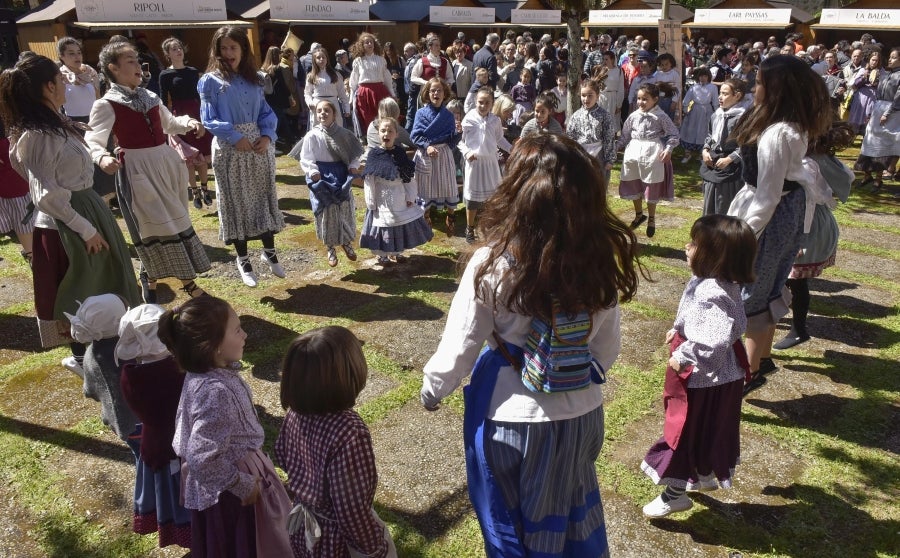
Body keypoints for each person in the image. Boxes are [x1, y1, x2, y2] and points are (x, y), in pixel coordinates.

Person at [421, 133, 642, 557]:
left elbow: (460, 345)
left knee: (511, 523)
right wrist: (572, 368)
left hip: (511, 417)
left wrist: (432, 390)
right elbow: (606, 349)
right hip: (583, 415)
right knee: (571, 504)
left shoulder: (492, 264)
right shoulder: (598, 264)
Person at [0, 54, 140, 366]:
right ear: (49, 87)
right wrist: (85, 229)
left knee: (104, 283)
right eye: (60, 80)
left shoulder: (50, 126)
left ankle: (106, 352)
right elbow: (44, 193)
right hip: (69, 222)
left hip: (82, 209)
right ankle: (83, 359)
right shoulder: (37, 135)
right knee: (83, 289)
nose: (65, 83)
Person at [727, 55, 831, 395]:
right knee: (768, 285)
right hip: (781, 213)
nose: (753, 87)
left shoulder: (777, 134)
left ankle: (750, 372)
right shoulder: (782, 124)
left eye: (758, 82)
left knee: (754, 292)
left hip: (771, 216)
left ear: (776, 90)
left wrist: (741, 236)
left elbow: (767, 197)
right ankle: (764, 357)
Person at [640, 214, 757, 518]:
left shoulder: (711, 293)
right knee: (707, 429)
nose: (687, 247)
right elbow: (700, 319)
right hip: (718, 376)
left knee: (685, 431)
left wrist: (685, 353)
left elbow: (713, 341)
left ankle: (674, 494)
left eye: (694, 244)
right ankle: (702, 474)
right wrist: (678, 329)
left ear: (713, 256)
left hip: (706, 378)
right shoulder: (714, 283)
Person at [161, 296, 293, 557]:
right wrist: (242, 484)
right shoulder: (215, 392)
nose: (244, 335)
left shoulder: (203, 372)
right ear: (212, 346)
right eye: (236, 330)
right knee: (248, 543)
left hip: (226, 481)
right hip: (231, 492)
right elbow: (202, 458)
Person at [87, 40, 211, 303]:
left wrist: (188, 122)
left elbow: (170, 124)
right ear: (113, 68)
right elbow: (94, 140)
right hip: (137, 168)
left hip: (165, 163)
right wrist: (102, 157)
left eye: (136, 59)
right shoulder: (107, 104)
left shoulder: (150, 96)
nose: (137, 65)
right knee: (151, 226)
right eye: (130, 60)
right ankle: (187, 283)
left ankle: (149, 275)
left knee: (175, 219)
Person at [275, 326, 397, 557]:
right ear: (350, 372)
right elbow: (351, 509)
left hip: (302, 528)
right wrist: (374, 548)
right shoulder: (349, 431)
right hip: (334, 539)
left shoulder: (295, 412)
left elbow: (282, 454)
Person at [199, 26, 286, 288]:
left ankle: (269, 251)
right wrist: (237, 138)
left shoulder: (256, 78)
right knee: (236, 201)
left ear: (243, 49)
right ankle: (243, 258)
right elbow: (208, 118)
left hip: (258, 146)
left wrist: (268, 135)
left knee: (262, 196)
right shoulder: (211, 81)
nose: (228, 53)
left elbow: (266, 112)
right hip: (230, 148)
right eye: (223, 48)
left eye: (233, 47)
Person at [117, 303, 192, 549]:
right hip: (184, 446)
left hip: (155, 444)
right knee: (187, 497)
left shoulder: (131, 374)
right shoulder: (182, 369)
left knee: (168, 494)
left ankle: (179, 533)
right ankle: (197, 535)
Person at [775, 124, 855, 350]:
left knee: (794, 280)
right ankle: (790, 322)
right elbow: (848, 176)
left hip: (806, 224)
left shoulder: (808, 163)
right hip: (813, 220)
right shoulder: (820, 157)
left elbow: (809, 199)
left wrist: (799, 238)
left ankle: (799, 329)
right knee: (790, 279)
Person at [64, 293, 138, 451]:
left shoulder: (90, 355)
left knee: (139, 454)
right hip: (142, 421)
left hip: (116, 420)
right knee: (150, 459)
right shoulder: (131, 351)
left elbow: (89, 391)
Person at [295, 99, 364, 268]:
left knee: (344, 209)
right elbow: (306, 157)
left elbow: (355, 155)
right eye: (319, 111)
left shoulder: (344, 134)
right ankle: (330, 248)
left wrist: (354, 167)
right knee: (327, 212)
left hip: (341, 175)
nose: (323, 113)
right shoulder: (312, 135)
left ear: (334, 114)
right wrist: (313, 172)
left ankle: (346, 242)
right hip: (321, 177)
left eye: (327, 110)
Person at [359, 117, 432, 266]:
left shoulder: (400, 153)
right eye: (383, 131)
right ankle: (383, 255)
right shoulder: (374, 154)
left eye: (390, 131)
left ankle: (397, 251)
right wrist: (371, 201)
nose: (386, 133)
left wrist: (411, 195)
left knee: (399, 223)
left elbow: (408, 177)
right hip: (382, 198)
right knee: (385, 224)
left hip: (399, 195)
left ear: (396, 134)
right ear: (378, 133)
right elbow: (369, 179)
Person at [56, 37, 117, 202]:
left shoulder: (90, 72)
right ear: (62, 56)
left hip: (94, 121)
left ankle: (109, 198)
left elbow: (98, 98)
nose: (77, 56)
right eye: (71, 53)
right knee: (84, 163)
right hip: (73, 124)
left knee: (104, 156)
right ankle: (93, 199)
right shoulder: (59, 76)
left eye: (78, 52)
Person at [618, 82, 680, 238]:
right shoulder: (633, 116)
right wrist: (615, 147)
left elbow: (674, 134)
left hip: (652, 152)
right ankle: (639, 214)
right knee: (633, 181)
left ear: (655, 99)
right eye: (639, 99)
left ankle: (651, 218)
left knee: (650, 185)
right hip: (633, 152)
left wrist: (668, 149)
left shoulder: (661, 116)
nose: (640, 102)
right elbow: (625, 136)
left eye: (645, 99)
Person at [159, 37, 214, 209]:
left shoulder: (192, 71)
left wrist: (205, 116)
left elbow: (201, 96)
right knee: (187, 158)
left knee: (202, 157)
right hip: (179, 116)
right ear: (168, 54)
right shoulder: (165, 75)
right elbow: (162, 100)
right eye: (174, 49)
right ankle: (195, 192)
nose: (178, 51)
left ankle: (205, 189)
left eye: (179, 47)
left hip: (197, 113)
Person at [460, 87, 512, 244]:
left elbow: (499, 140)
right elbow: (460, 141)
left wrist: (512, 149)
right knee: (473, 200)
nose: (483, 106)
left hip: (490, 163)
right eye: (480, 102)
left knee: (492, 198)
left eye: (487, 103)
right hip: (475, 164)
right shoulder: (469, 119)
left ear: (492, 103)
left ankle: (489, 226)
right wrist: (468, 153)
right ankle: (469, 228)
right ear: (475, 102)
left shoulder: (495, 121)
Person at [411, 78, 460, 235]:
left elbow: (452, 142)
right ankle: (426, 218)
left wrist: (459, 133)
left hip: (443, 154)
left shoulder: (448, 116)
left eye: (439, 90)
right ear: (427, 93)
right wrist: (427, 146)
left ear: (444, 93)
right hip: (426, 154)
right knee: (425, 188)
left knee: (448, 185)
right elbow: (415, 136)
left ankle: (450, 217)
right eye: (432, 90)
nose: (436, 93)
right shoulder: (420, 114)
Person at [700, 79, 748, 216]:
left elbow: (746, 144)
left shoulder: (742, 117)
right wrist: (705, 150)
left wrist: (730, 159)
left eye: (725, 94)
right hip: (714, 162)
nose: (720, 97)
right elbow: (710, 135)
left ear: (737, 96)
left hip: (731, 167)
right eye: (720, 93)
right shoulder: (717, 114)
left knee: (724, 204)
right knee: (709, 202)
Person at [855, 47, 900, 191]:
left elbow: (898, 98)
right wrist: (873, 111)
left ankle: (879, 179)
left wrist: (888, 113)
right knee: (869, 141)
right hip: (878, 109)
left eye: (894, 57)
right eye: (890, 57)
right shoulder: (886, 73)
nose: (890, 59)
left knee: (881, 146)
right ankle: (867, 175)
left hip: (891, 112)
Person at [566, 76, 616, 180]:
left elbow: (609, 137)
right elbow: (570, 137)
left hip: (599, 154)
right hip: (580, 155)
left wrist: (609, 159)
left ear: (597, 96)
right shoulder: (576, 116)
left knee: (598, 183)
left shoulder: (604, 115)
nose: (586, 99)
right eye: (583, 95)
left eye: (590, 96)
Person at [0, 118, 34, 263]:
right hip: (13, 189)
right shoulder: (7, 143)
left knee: (24, 222)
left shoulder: (7, 143)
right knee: (23, 223)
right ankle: (32, 255)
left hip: (15, 188)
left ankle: (32, 254)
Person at [349, 33, 395, 136]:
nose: (370, 44)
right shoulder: (358, 61)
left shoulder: (381, 60)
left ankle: (383, 137)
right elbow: (354, 81)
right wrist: (351, 97)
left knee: (382, 116)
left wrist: (392, 94)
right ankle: (370, 139)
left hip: (380, 91)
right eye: (367, 42)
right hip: (364, 92)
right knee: (367, 117)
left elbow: (387, 78)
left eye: (371, 42)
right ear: (362, 45)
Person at [305, 47, 351, 132]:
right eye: (318, 58)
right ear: (314, 60)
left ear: (327, 59)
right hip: (317, 105)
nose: (321, 59)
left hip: (333, 103)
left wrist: (346, 108)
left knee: (336, 128)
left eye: (323, 57)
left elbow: (342, 93)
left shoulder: (335, 75)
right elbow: (307, 93)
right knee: (317, 130)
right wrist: (310, 103)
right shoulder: (311, 76)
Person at [679, 67, 718, 165]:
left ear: (708, 77)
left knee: (704, 131)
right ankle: (687, 153)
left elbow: (715, 102)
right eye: (701, 76)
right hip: (695, 111)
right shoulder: (694, 87)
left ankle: (702, 154)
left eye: (705, 76)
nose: (703, 78)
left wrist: (717, 113)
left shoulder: (712, 87)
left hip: (706, 111)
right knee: (690, 130)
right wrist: (685, 110)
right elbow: (686, 100)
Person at [848, 50, 883, 136]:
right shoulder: (863, 69)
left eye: (876, 60)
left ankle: (866, 137)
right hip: (861, 95)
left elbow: (883, 85)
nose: (874, 62)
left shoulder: (882, 71)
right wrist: (864, 78)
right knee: (856, 115)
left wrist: (877, 82)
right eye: (872, 59)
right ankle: (852, 135)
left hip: (873, 96)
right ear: (869, 60)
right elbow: (855, 84)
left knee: (868, 116)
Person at [597, 51, 625, 134]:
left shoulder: (618, 71)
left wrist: (619, 104)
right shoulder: (601, 70)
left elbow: (621, 88)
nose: (604, 61)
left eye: (606, 59)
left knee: (613, 123)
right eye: (603, 59)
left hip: (613, 98)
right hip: (602, 98)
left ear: (612, 59)